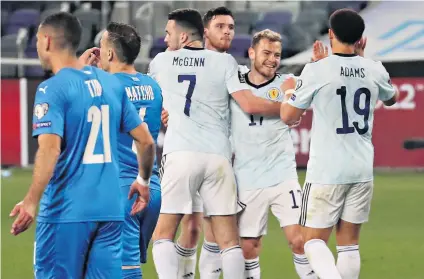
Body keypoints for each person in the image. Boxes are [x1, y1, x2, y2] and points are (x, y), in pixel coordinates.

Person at [9, 12, 154, 278]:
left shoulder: (51, 89)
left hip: (67, 211)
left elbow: (50, 149)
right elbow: (146, 141)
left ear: (47, 40)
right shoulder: (110, 83)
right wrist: (143, 182)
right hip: (109, 210)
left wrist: (31, 201)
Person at [149, 8, 281, 279]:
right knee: (228, 240)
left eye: (168, 33)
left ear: (183, 36)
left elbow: (152, 104)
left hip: (180, 155)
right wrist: (286, 107)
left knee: (163, 234)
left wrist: (166, 110)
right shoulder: (225, 63)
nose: (165, 39)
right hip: (218, 158)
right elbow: (247, 103)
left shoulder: (161, 62)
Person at [280, 9, 398, 279]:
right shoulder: (374, 68)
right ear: (360, 39)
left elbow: (288, 115)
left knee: (312, 241)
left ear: (330, 34)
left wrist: (289, 89)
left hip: (327, 170)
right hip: (361, 168)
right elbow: (391, 98)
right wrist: (363, 64)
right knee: (348, 245)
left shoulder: (317, 70)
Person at [231, 29, 316, 279]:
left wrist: (291, 98)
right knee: (248, 247)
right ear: (251, 53)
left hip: (283, 175)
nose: (272, 59)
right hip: (247, 178)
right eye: (266, 53)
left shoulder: (288, 82)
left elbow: (297, 113)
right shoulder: (235, 83)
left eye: (277, 55)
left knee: (300, 240)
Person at [81, 22, 163, 278]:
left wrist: (82, 70)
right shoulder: (153, 86)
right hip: (150, 189)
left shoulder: (102, 86)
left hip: (120, 192)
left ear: (109, 54)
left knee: (124, 271)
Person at [172, 6, 237, 279]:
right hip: (189, 151)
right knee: (192, 226)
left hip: (221, 156)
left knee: (213, 229)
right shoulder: (182, 63)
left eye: (231, 27)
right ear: (205, 31)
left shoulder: (232, 67)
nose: (227, 32)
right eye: (220, 26)